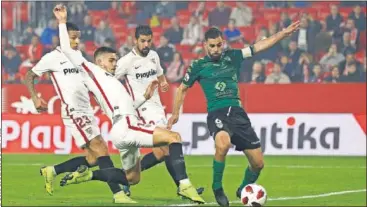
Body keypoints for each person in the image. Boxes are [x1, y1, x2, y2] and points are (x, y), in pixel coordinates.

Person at [53, 5, 205, 204]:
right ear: (99, 62)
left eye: (116, 60)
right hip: (126, 125)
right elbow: (67, 50)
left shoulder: (114, 82)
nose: (115, 63)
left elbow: (128, 104)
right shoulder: (92, 72)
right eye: (111, 60)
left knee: (132, 178)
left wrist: (144, 96)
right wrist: (62, 22)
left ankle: (88, 176)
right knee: (173, 138)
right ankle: (185, 186)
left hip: (123, 127)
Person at [167, 22, 300, 206]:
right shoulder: (198, 65)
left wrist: (283, 34)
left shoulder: (233, 56)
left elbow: (258, 46)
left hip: (238, 114)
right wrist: (175, 114)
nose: (215, 49)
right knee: (223, 144)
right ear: (205, 45)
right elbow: (182, 89)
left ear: (223, 43)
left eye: (218, 45)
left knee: (258, 164)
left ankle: (243, 189)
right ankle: (217, 187)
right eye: (212, 45)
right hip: (217, 113)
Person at [23, 18, 127, 203]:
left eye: (78, 38)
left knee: (93, 159)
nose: (77, 42)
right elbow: (29, 75)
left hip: (86, 109)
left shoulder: (78, 57)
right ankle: (118, 194)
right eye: (73, 38)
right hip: (73, 110)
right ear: (63, 37)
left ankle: (52, 171)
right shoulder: (52, 57)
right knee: (101, 148)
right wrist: (35, 97)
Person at [115, 25, 204, 197]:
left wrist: (163, 83)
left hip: (157, 108)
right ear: (135, 40)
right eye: (142, 41)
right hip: (142, 109)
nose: (146, 44)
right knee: (167, 146)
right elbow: (108, 79)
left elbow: (160, 74)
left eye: (149, 41)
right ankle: (183, 186)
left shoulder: (154, 56)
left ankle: (124, 178)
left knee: (162, 152)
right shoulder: (126, 61)